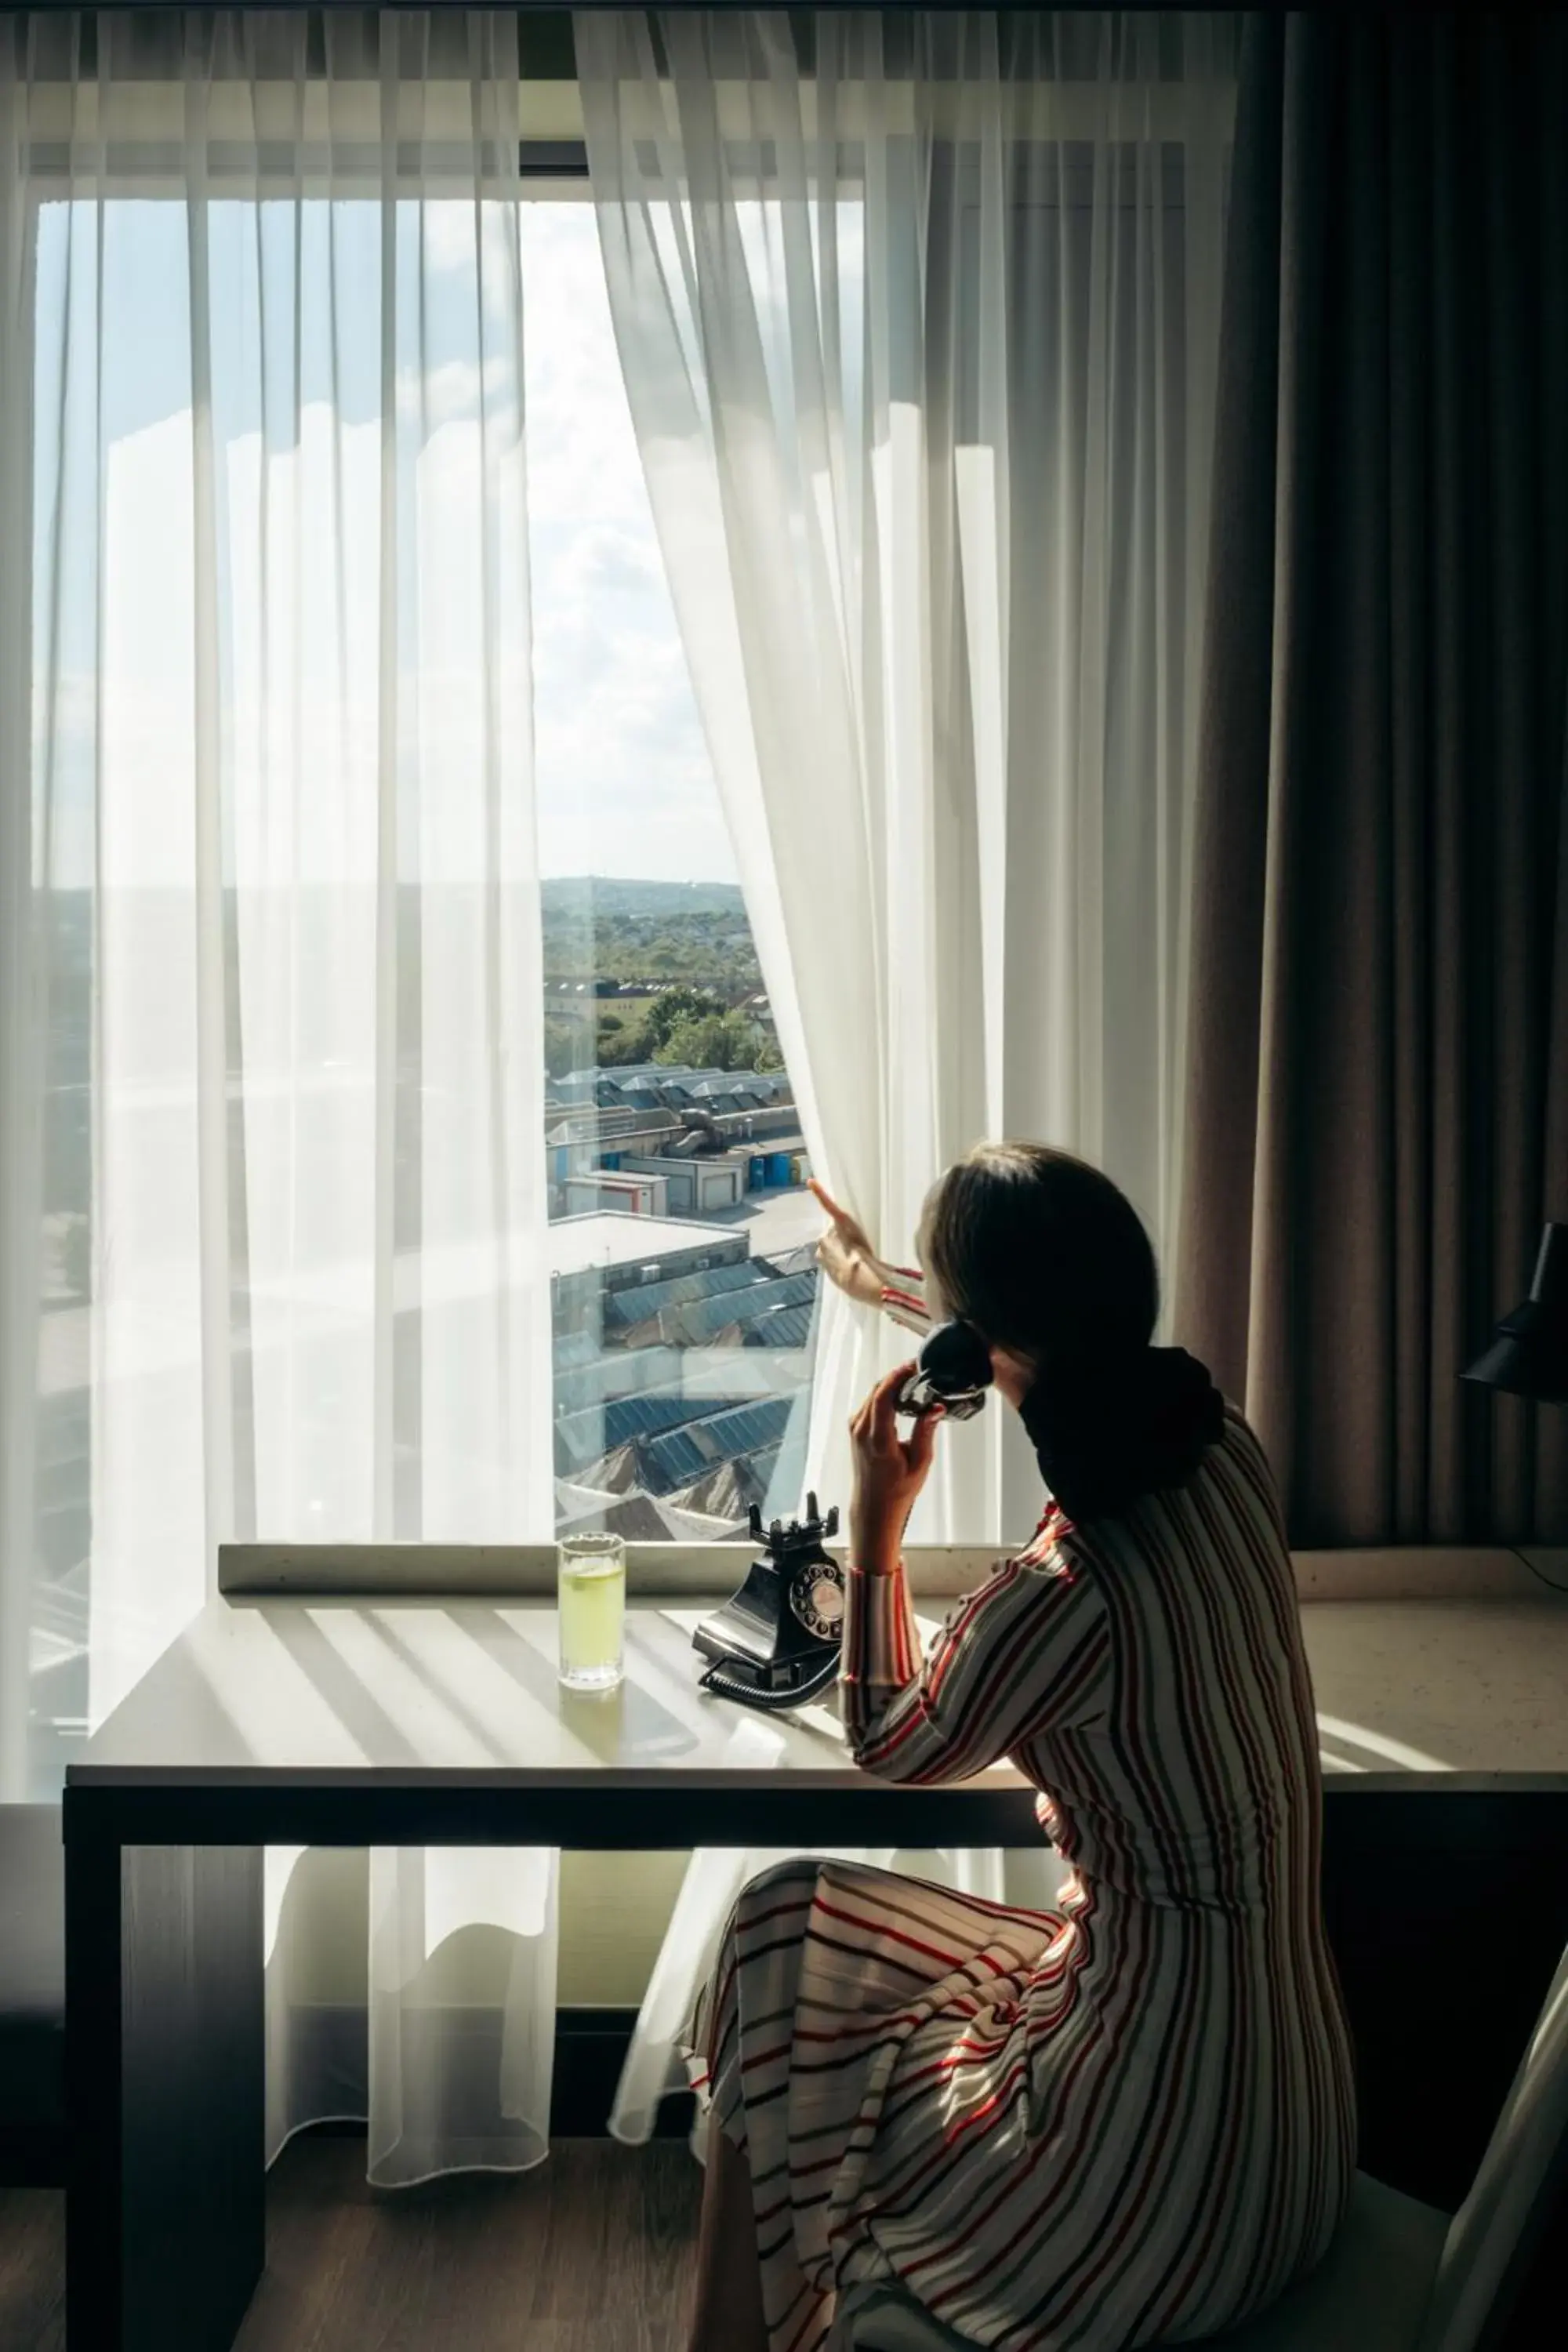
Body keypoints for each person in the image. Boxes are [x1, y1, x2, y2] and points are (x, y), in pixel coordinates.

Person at [681, 1143, 1356, 2352]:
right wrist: (866, 1277)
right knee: (819, 1947)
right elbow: (1019, 1327)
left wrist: (879, 1531)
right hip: (1296, 2118)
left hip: (1157, 2177)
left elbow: (887, 1743)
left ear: (973, 1348)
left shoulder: (1066, 1583)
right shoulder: (1223, 1448)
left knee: (778, 1928)